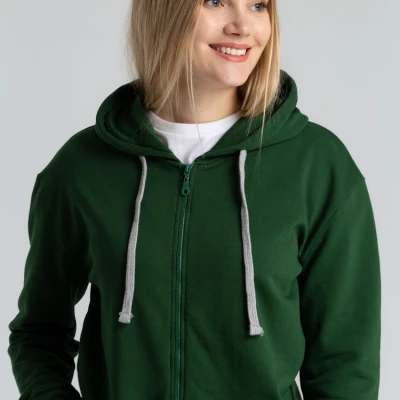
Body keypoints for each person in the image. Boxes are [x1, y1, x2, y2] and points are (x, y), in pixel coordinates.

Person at [7, 0, 381, 399]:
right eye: (216, 2)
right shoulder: (83, 167)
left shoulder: (316, 165)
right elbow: (39, 333)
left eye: (258, 5)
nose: (242, 26)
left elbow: (346, 362)